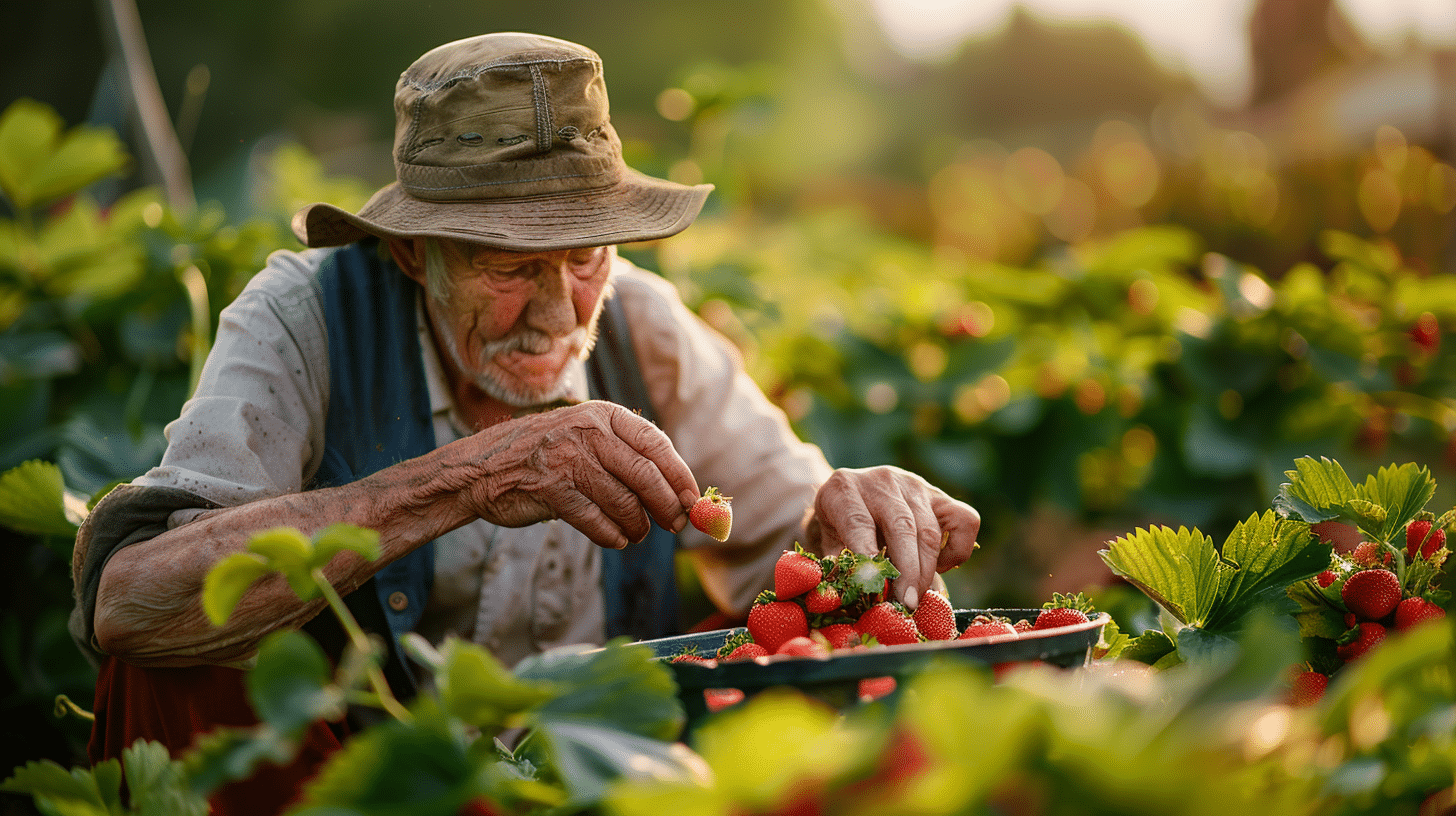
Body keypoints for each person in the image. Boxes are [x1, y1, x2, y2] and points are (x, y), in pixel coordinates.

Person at [69, 31, 980, 814]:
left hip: (607, 787)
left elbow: (799, 550)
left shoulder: (647, 328)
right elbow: (130, 602)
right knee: (169, 669)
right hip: (363, 786)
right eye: (508, 267)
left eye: (585, 256)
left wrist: (849, 519)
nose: (555, 311)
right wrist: (463, 479)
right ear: (412, 252)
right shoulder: (305, 318)